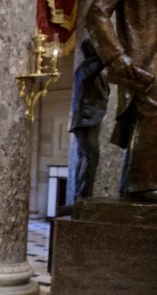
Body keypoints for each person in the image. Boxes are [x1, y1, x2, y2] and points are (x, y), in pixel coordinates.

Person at [86, 0, 157, 201]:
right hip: (144, 64)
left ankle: (140, 185)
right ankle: (140, 186)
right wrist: (116, 57)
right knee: (152, 110)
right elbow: (96, 12)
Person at [69, 39, 110, 200]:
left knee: (86, 156)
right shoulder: (86, 67)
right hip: (85, 120)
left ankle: (81, 195)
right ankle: (84, 196)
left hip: (92, 119)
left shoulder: (98, 74)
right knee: (91, 156)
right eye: (97, 47)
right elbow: (105, 59)